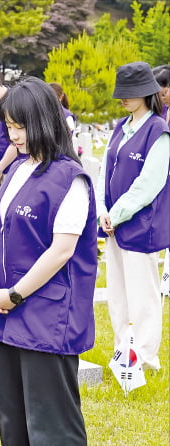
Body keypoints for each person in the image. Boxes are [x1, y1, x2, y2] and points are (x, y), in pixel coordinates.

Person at [0, 77, 97, 445]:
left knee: (51, 427)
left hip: (47, 316)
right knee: (13, 420)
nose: (14, 135)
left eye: (21, 126)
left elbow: (61, 250)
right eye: (10, 126)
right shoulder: (18, 169)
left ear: (45, 120)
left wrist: (14, 294)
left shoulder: (70, 178)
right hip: (6, 311)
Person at [96, 61, 169, 371]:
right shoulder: (120, 127)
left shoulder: (159, 131)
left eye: (129, 93)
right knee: (118, 292)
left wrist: (118, 213)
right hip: (112, 224)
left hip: (141, 225)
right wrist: (102, 210)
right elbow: (104, 171)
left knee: (143, 295)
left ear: (146, 93)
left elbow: (149, 183)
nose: (123, 99)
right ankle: (123, 352)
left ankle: (145, 357)